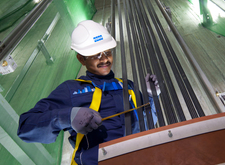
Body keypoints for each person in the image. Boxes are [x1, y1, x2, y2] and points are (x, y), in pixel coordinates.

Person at [17, 20, 160, 165]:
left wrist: (151, 97)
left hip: (141, 157)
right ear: (81, 59)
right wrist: (67, 116)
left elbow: (146, 124)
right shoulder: (71, 90)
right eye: (95, 55)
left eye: (107, 52)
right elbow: (25, 127)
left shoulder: (127, 85)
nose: (104, 59)